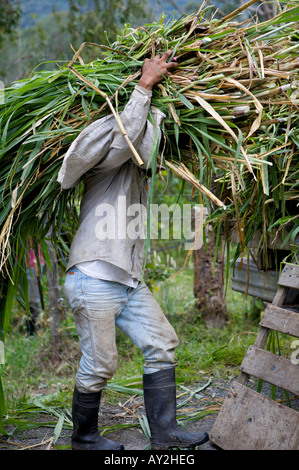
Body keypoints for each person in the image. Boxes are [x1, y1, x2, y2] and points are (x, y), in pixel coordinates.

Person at [58, 51, 209, 451]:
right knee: (101, 365)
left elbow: (143, 143)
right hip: (93, 278)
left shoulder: (138, 175)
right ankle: (84, 439)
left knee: (162, 343)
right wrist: (144, 87)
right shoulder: (105, 163)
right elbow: (126, 135)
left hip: (126, 282)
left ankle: (165, 433)